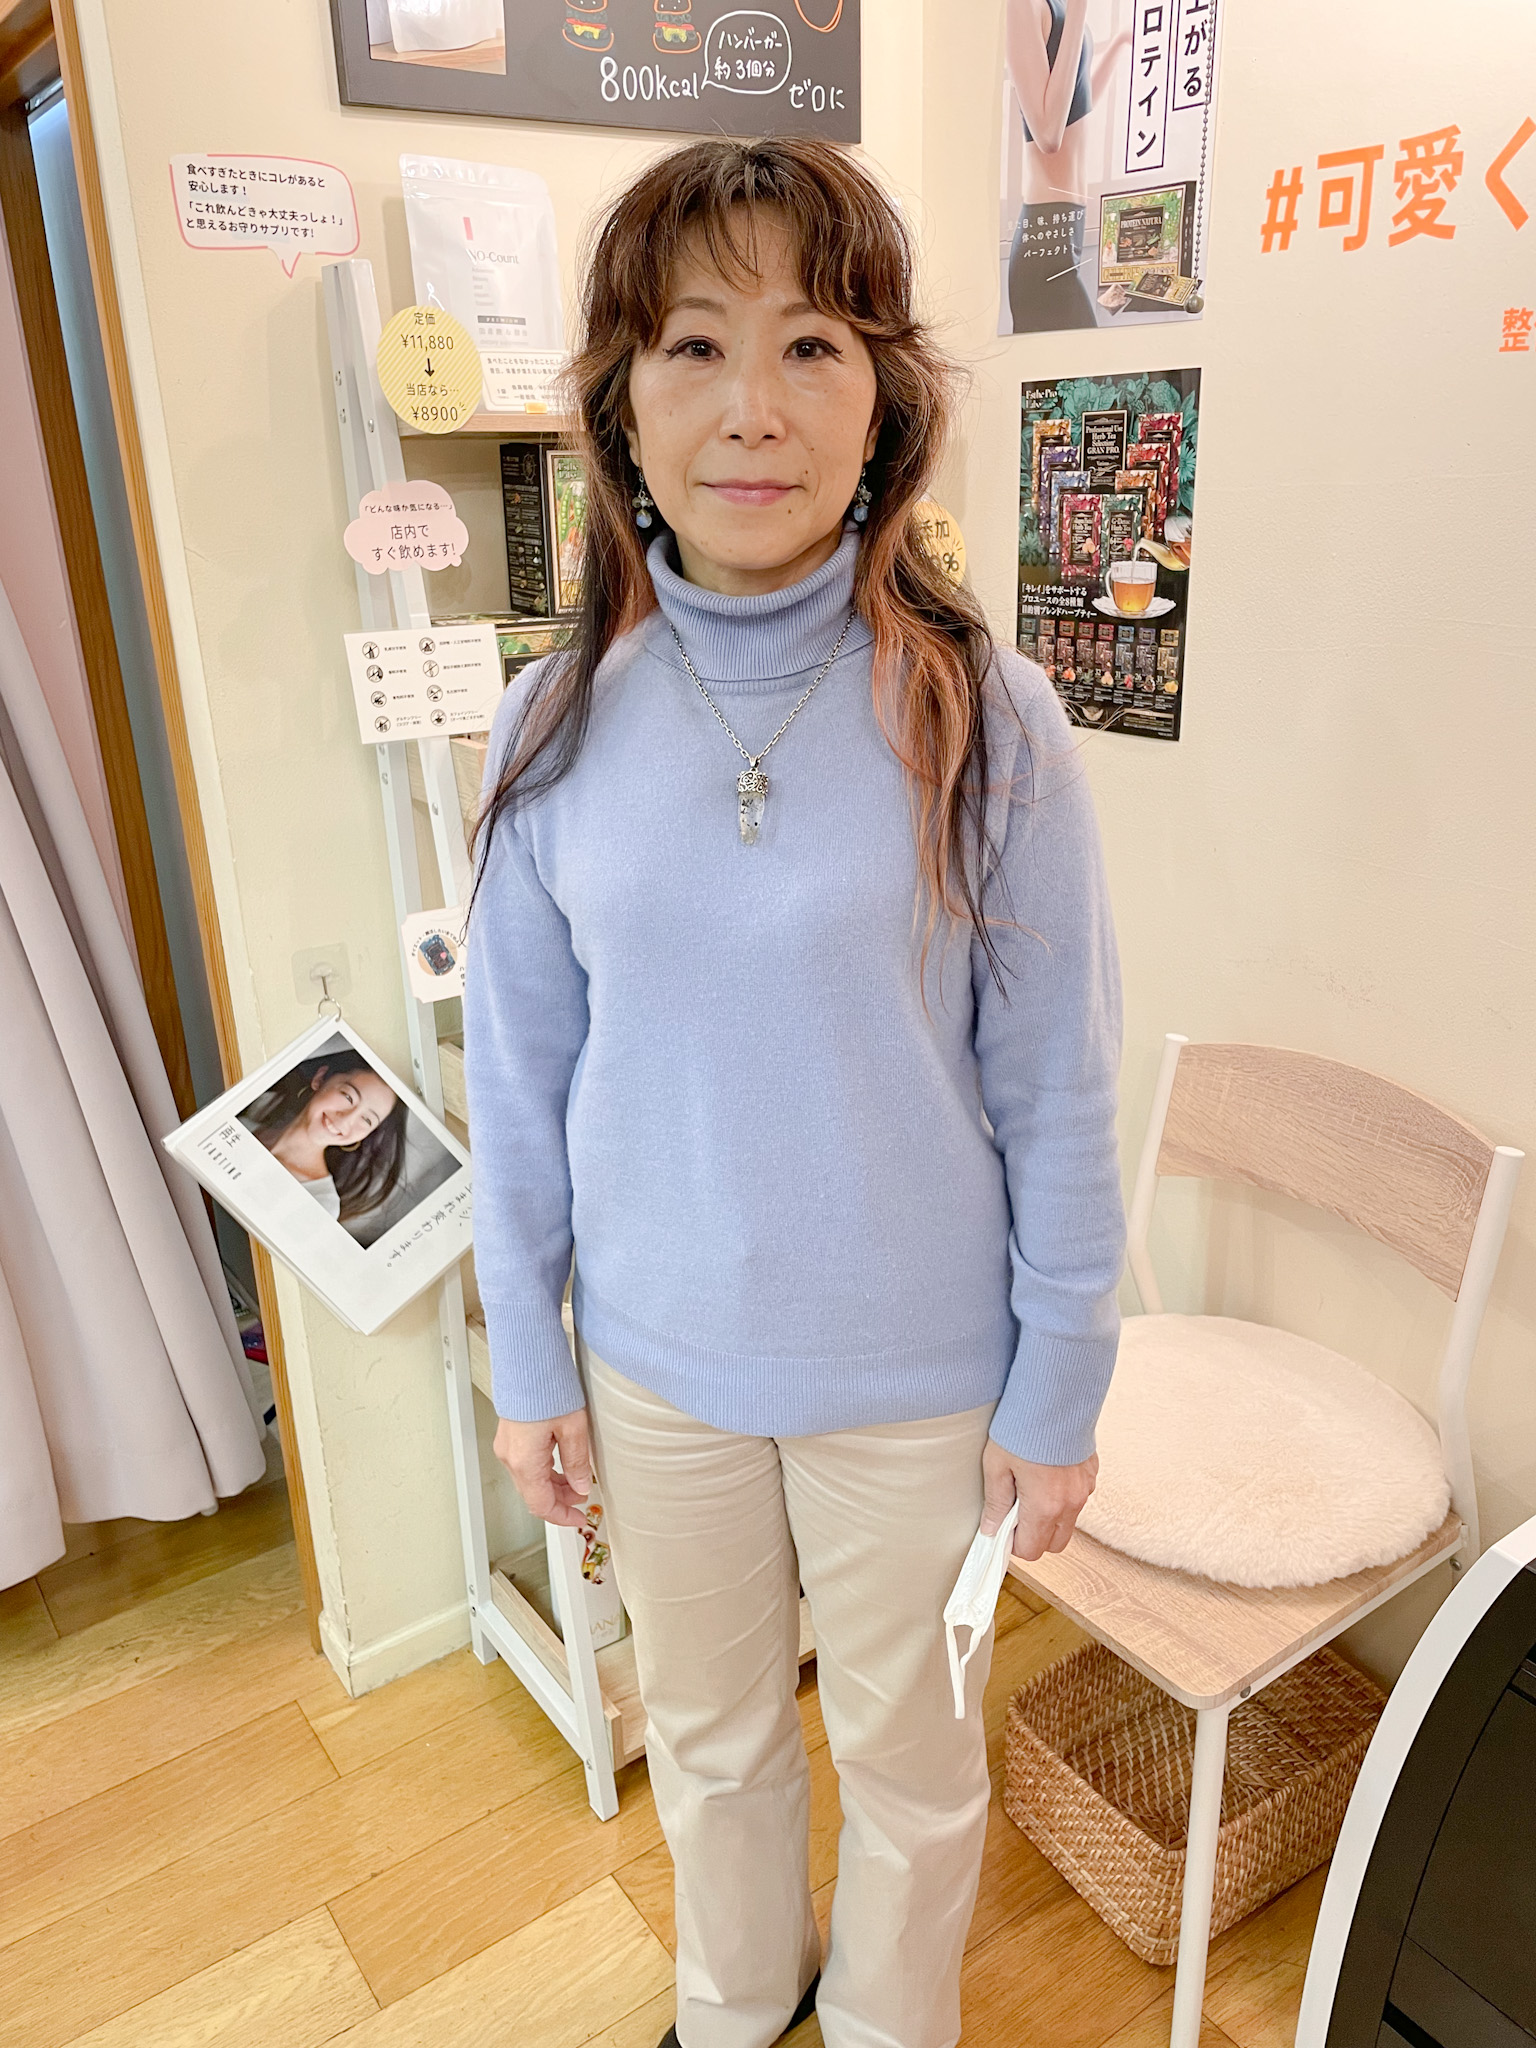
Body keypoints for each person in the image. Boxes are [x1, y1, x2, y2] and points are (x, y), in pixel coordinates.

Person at [465, 137, 1125, 2048]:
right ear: (621, 399)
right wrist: (530, 1359)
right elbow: (518, 1078)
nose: (752, 407)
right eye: (694, 345)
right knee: (713, 1732)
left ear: (882, 400)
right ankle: (735, 2000)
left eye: (812, 344)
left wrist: (1060, 1387)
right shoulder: (549, 724)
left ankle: (892, 2021)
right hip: (656, 1368)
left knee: (912, 1757)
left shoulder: (988, 716)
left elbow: (1058, 1085)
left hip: (918, 1381)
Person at [1004, 0, 1130, 331]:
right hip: (1043, 235)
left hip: (1068, 226)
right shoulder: (1024, 5)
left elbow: (1077, 104)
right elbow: (1048, 134)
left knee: (1085, 355)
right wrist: (1078, 12)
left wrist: (1120, 43)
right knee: (1087, 356)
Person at [241, 1052, 405, 1233]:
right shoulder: (245, 1122)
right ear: (320, 1078)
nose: (345, 1120)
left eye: (367, 1120)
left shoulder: (321, 1202)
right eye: (348, 1097)